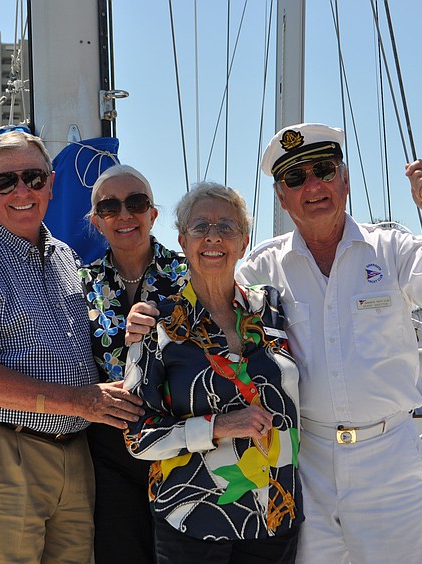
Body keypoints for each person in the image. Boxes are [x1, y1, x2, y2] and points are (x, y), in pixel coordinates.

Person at [127, 123, 422, 563]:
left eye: (323, 170)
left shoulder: (391, 249)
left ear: (345, 180)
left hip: (387, 458)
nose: (312, 186)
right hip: (305, 465)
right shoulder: (262, 266)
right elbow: (208, 286)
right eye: (295, 179)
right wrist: (147, 313)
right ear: (282, 197)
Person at [0, 130, 144, 564]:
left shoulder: (66, 258)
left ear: (51, 182)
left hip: (73, 455)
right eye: (6, 182)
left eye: (33, 177)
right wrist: (83, 401)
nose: (22, 191)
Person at [123, 182, 303, 564]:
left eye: (227, 226)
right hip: (193, 518)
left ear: (243, 241)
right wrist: (218, 426)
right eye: (200, 226)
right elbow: (138, 437)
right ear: (183, 241)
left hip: (276, 514)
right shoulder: (156, 323)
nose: (213, 237)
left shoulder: (270, 308)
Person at [77, 164, 188, 564]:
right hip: (111, 451)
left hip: (182, 444)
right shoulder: (79, 284)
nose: (124, 215)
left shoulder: (190, 274)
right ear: (96, 222)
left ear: (152, 214)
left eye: (136, 203)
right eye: (110, 207)